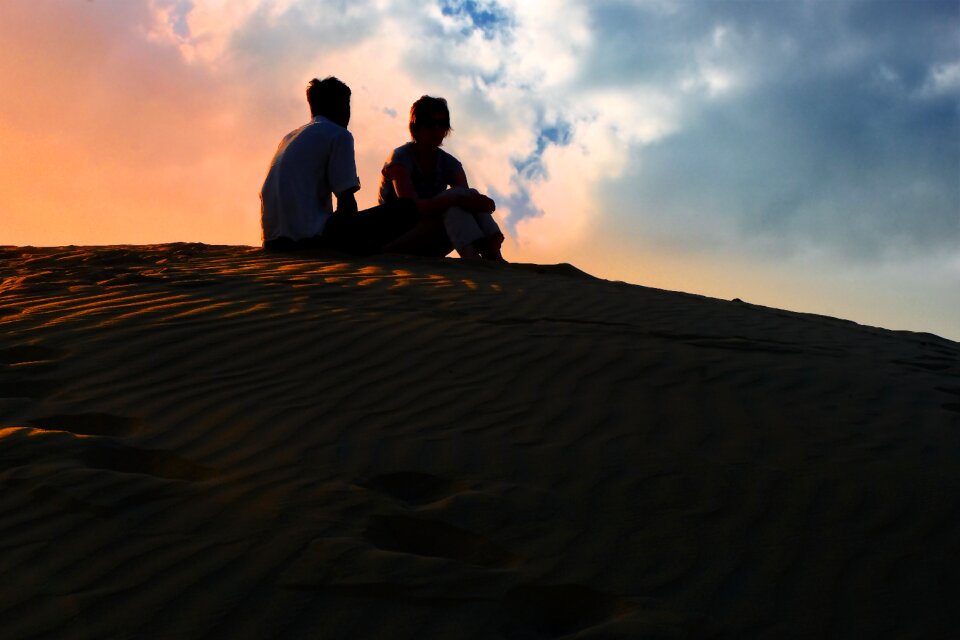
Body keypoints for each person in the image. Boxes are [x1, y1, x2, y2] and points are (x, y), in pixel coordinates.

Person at [260, 77, 423, 255]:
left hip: (272, 242)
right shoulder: (339, 135)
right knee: (407, 209)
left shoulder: (289, 137)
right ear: (341, 108)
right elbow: (346, 201)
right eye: (347, 106)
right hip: (309, 240)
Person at [377, 96, 505, 261]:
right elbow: (409, 210)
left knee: (465, 197)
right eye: (430, 124)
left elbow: (466, 203)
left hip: (434, 239)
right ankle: (476, 257)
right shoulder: (400, 160)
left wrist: (477, 202)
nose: (437, 130)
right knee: (455, 201)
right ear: (416, 127)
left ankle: (490, 253)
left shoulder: (449, 163)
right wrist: (457, 200)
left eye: (442, 124)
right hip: (394, 240)